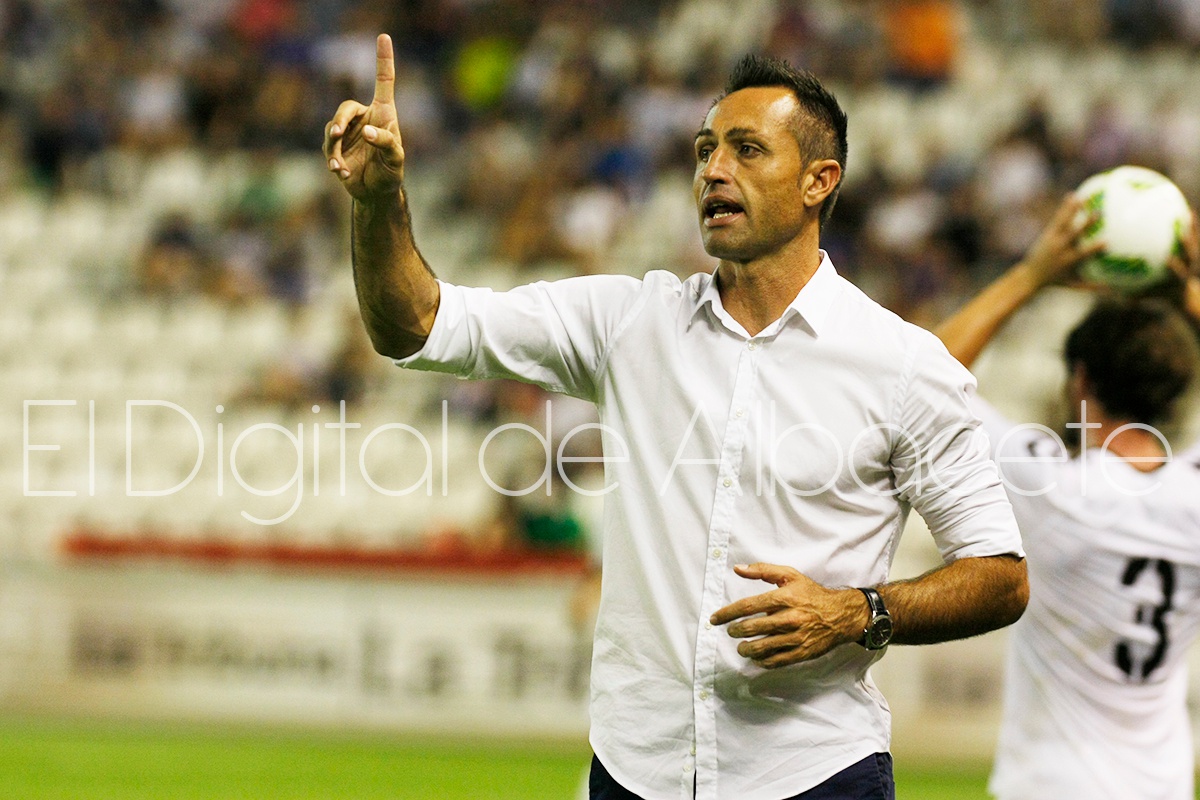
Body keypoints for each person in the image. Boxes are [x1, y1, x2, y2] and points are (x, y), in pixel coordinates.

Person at [324, 36, 1029, 800]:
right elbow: (416, 326)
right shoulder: (630, 322)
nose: (714, 170)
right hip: (635, 773)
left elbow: (1000, 576)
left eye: (747, 150)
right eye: (704, 150)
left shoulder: (902, 364)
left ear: (819, 181)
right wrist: (378, 203)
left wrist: (856, 612)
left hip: (816, 773)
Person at [934, 196, 1200, 800]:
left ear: (1080, 381)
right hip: (1162, 788)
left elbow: (924, 376)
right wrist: (1187, 294)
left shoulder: (1053, 489)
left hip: (1051, 784)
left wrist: (1033, 275)